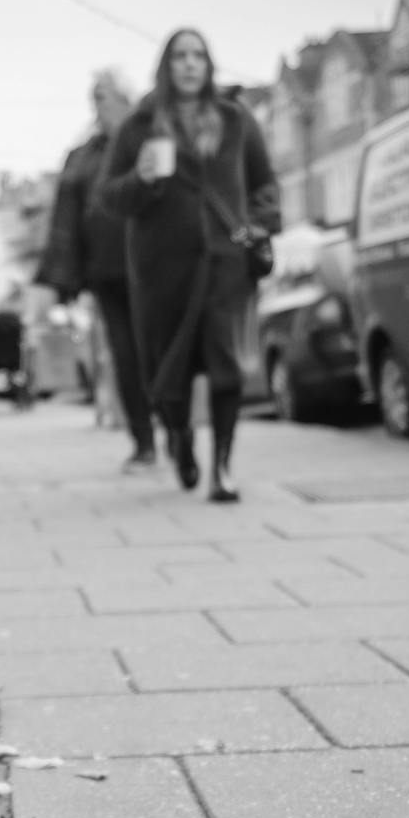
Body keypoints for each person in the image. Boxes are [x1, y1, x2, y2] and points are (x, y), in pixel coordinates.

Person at [96, 28, 279, 503]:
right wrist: (141, 179)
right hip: (161, 271)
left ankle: (222, 466)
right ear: (166, 65)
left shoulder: (235, 119)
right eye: (180, 56)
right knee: (167, 376)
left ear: (209, 64)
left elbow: (263, 185)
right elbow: (109, 196)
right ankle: (179, 439)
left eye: (199, 55)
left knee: (227, 369)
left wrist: (259, 225)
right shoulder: (139, 125)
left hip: (225, 264)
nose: (190, 64)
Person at [35, 70, 154, 470]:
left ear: (124, 98)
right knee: (125, 357)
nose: (98, 105)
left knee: (158, 353)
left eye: (104, 96)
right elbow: (65, 220)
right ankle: (144, 441)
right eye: (94, 98)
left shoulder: (148, 142)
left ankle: (176, 429)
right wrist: (62, 277)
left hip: (154, 268)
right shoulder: (83, 155)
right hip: (107, 272)